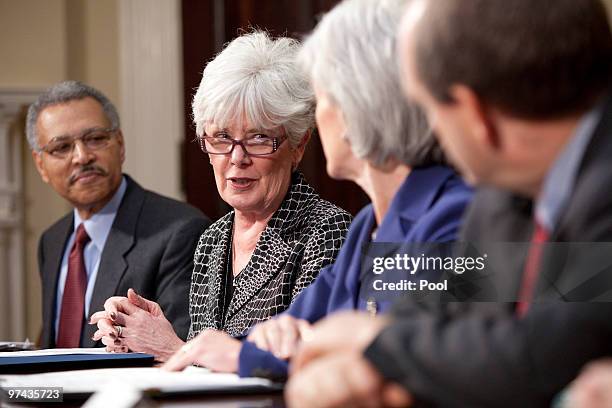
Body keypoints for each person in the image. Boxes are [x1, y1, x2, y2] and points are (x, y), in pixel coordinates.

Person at [285, 0, 612, 407]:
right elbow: (438, 318)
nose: (430, 129)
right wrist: (365, 362)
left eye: (427, 108)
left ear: (475, 114)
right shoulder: (502, 198)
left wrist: (374, 343)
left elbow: (547, 351)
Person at [160, 0, 472, 378]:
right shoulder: (366, 227)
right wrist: (274, 343)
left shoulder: (453, 216)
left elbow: (408, 360)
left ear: (360, 108)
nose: (316, 117)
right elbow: (289, 332)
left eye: (322, 98)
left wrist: (274, 350)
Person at [90, 31, 352, 361]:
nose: (236, 157)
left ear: (299, 145)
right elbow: (204, 368)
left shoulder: (326, 231)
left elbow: (305, 363)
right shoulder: (212, 240)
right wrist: (141, 336)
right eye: (222, 138)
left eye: (258, 138)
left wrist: (174, 349)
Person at [28, 80, 210, 349]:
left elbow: (181, 351)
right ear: (41, 165)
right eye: (62, 147)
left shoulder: (180, 231)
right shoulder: (51, 241)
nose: (81, 156)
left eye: (95, 139)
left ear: (120, 144)